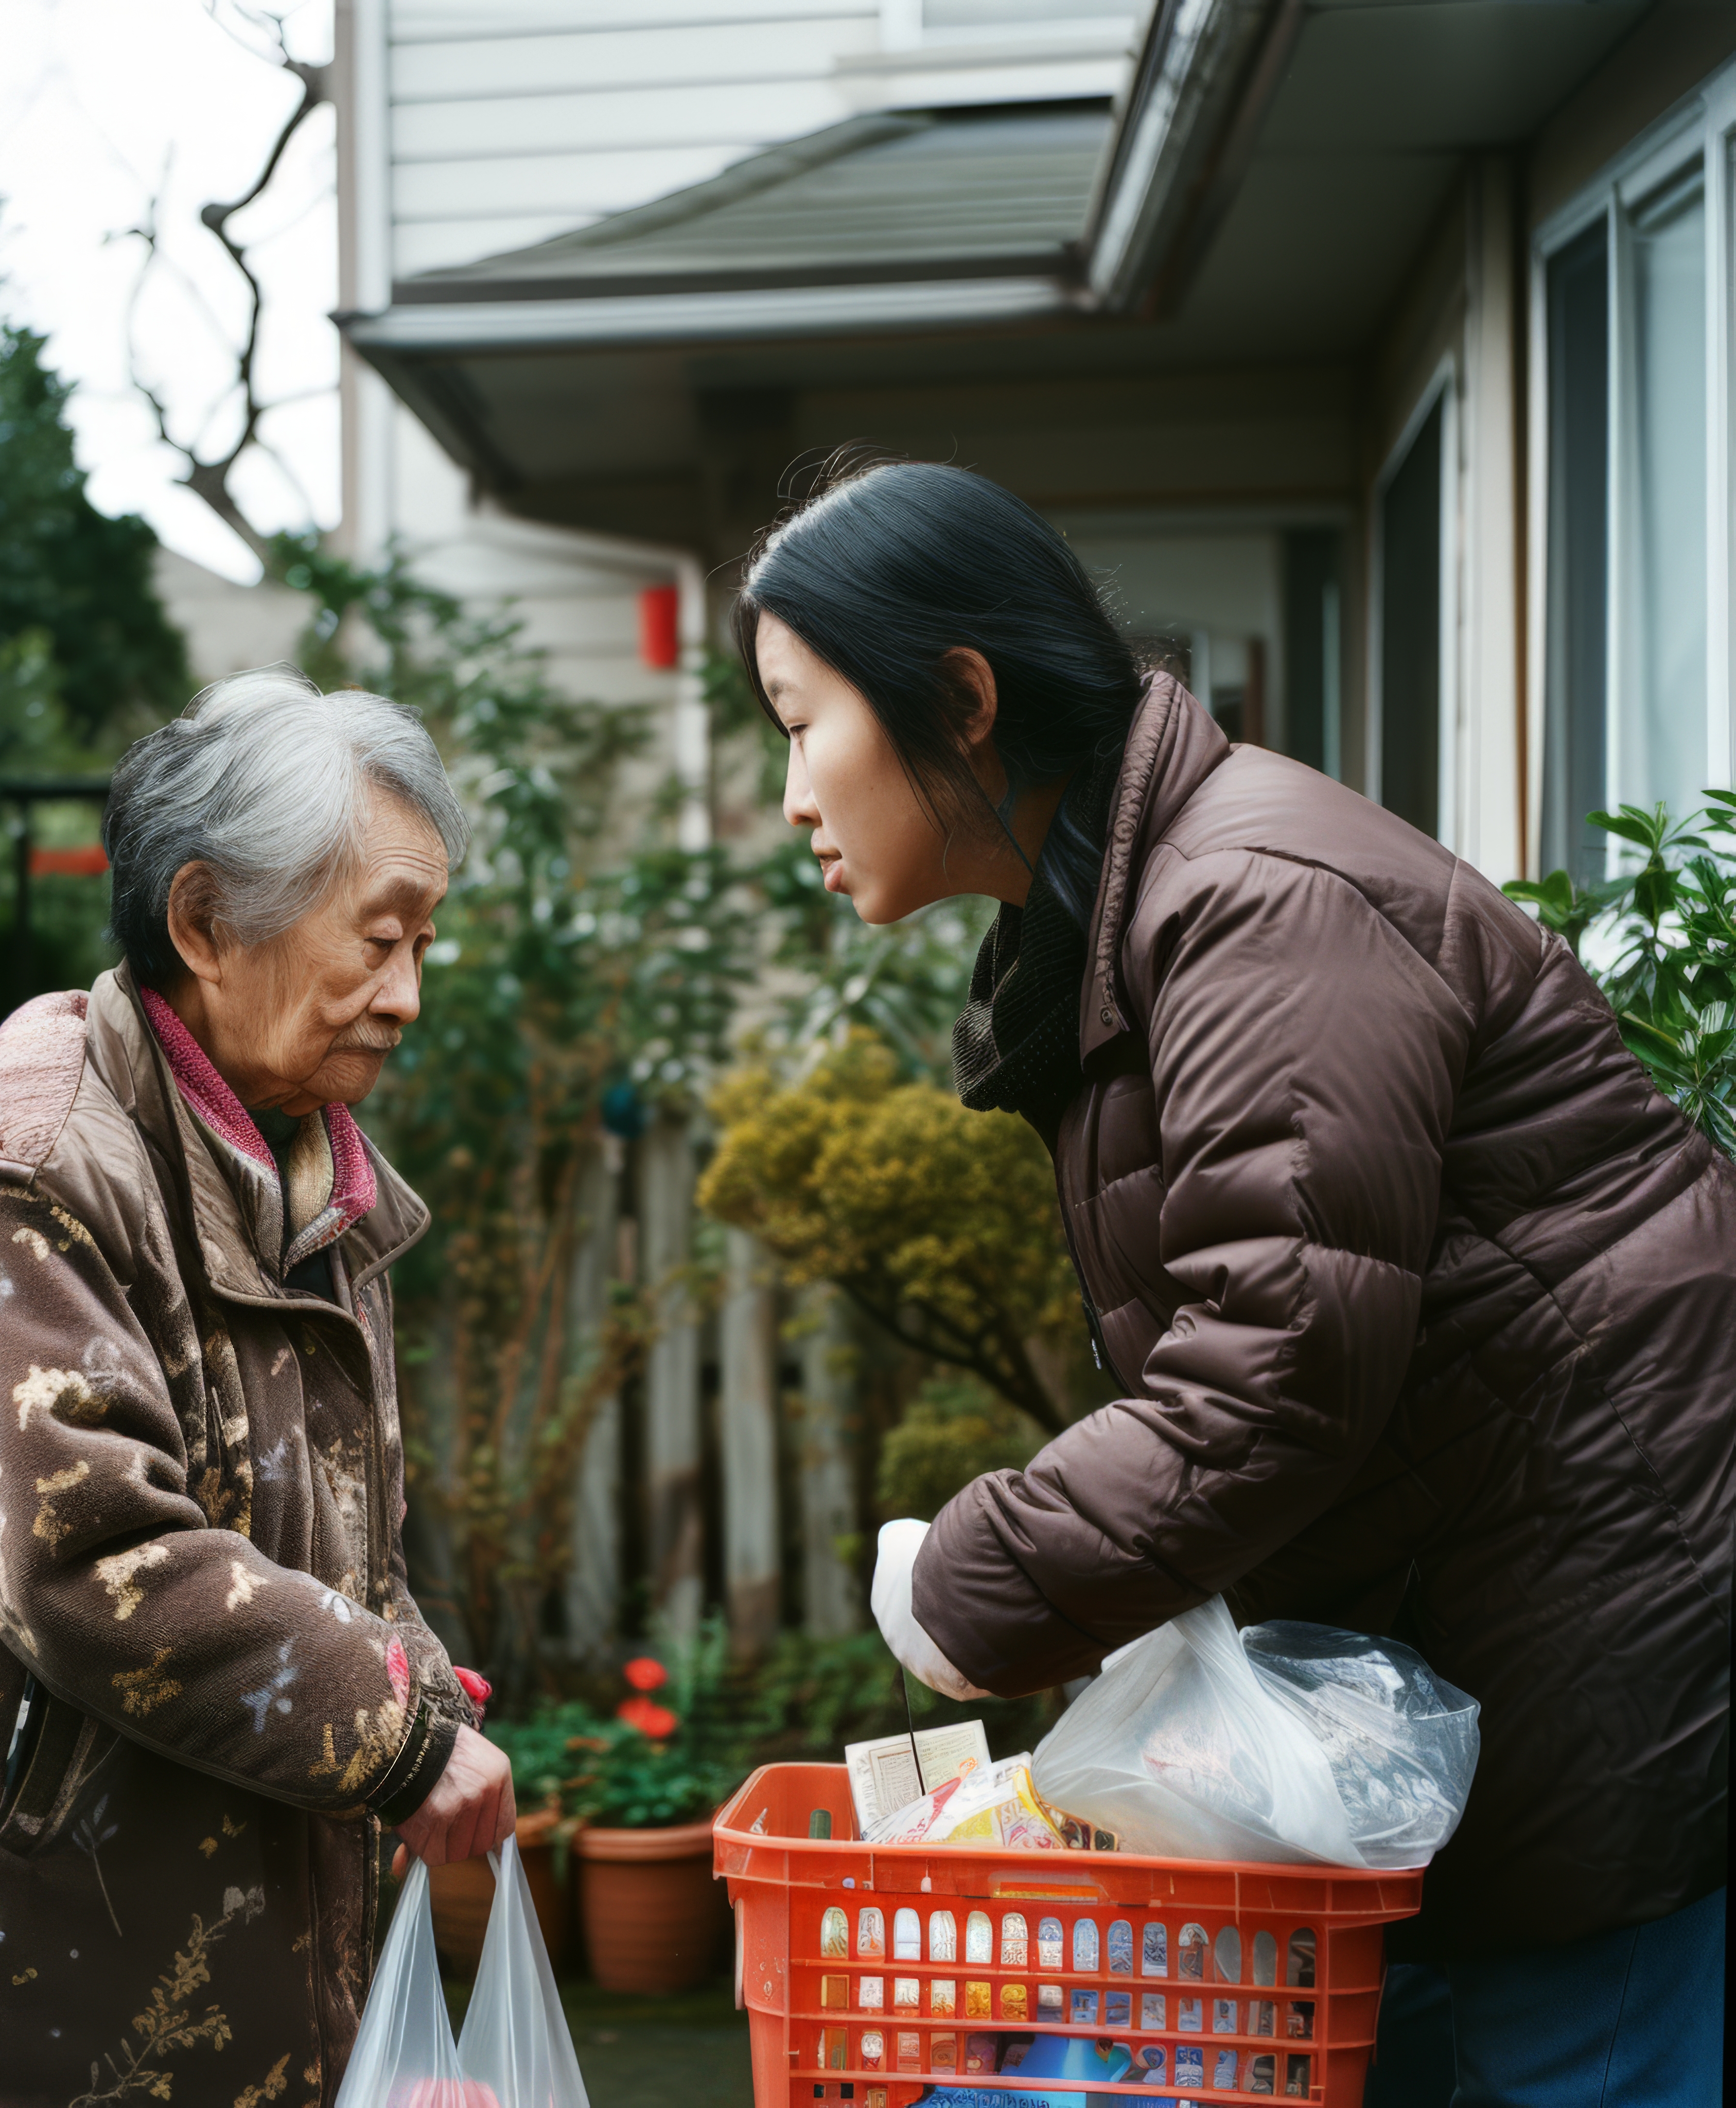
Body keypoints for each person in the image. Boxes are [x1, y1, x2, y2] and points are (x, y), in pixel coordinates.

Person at [737, 458, 1731, 2102]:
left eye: (798, 720)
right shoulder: (1145, 909)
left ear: (961, 699)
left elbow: (1273, 1364)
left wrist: (974, 1583)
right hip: (1491, 1640)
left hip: (1607, 1643)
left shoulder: (1257, 900)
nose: (791, 795)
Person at [0, 671, 515, 2108]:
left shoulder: (313, 1186)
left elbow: (348, 1555)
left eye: (427, 942)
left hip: (210, 1987)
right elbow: (93, 1555)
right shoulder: (33, 1182)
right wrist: (395, 1733)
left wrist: (419, 1677)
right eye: (379, 940)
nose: (409, 994)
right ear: (202, 923)